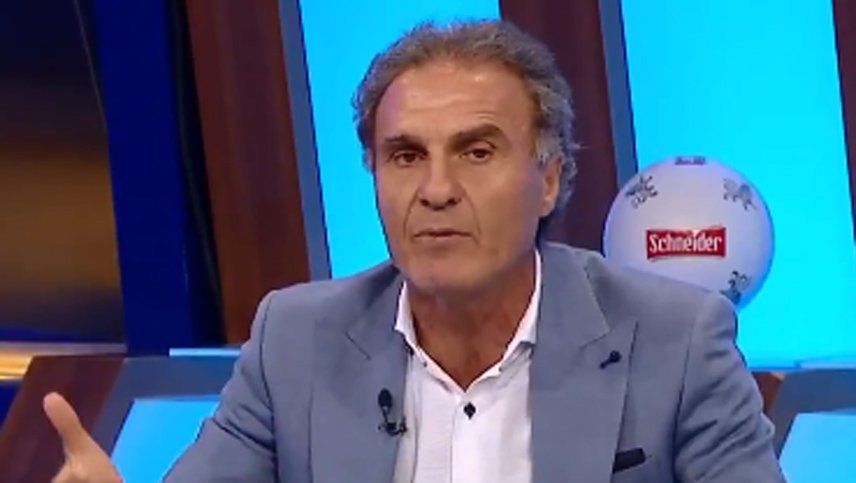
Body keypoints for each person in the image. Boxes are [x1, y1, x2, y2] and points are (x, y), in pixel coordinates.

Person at [44, 20, 785, 482]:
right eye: (405, 156)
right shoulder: (296, 341)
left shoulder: (675, 341)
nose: (436, 190)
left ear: (549, 178)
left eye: (476, 152)